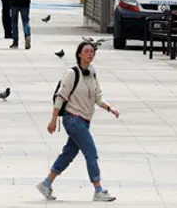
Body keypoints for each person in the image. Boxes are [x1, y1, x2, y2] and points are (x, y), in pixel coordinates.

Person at [36, 42, 119, 202]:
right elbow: (61, 97)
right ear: (79, 54)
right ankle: (98, 190)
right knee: (91, 153)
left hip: (85, 120)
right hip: (73, 119)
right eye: (86, 51)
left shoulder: (93, 73)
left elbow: (97, 97)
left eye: (92, 51)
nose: (90, 54)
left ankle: (46, 183)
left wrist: (110, 108)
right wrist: (53, 120)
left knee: (68, 154)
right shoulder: (72, 73)